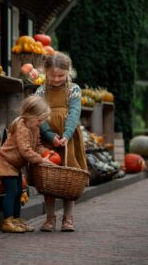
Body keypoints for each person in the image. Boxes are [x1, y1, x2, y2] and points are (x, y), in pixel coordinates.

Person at [36, 51, 89, 232]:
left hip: (69, 139)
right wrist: (50, 135)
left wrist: (66, 135)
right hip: (48, 138)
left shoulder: (73, 89)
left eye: (61, 75)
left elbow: (74, 113)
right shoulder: (41, 91)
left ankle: (68, 217)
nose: (57, 79)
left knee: (69, 176)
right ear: (45, 72)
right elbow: (38, 116)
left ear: (69, 72)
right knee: (48, 177)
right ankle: (50, 218)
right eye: (53, 76)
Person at [0, 95, 52, 233]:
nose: (41, 123)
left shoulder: (34, 128)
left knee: (20, 192)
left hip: (15, 166)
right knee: (12, 192)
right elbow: (25, 150)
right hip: (5, 162)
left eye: (43, 120)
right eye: (39, 120)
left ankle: (16, 219)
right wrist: (40, 160)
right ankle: (7, 221)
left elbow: (37, 145)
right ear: (29, 115)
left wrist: (46, 153)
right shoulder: (22, 127)